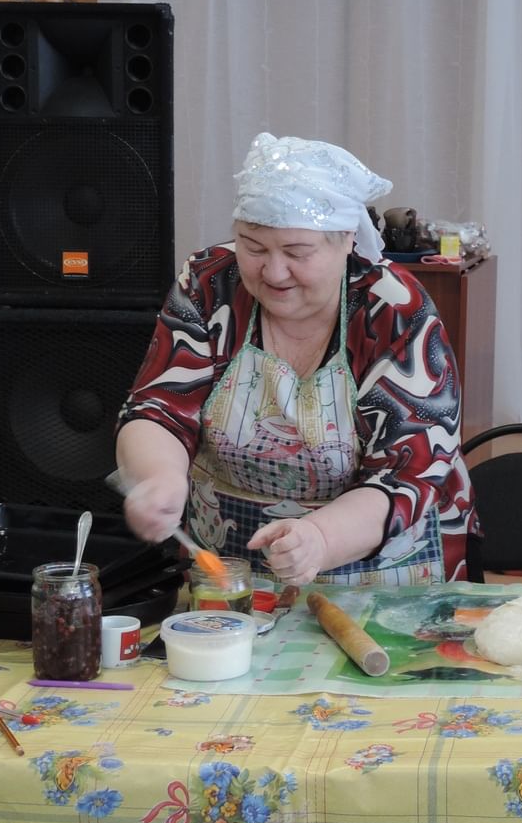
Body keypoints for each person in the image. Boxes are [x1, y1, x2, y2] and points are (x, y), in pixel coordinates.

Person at [116, 132, 475, 586]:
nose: (273, 271)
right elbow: (159, 407)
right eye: (253, 247)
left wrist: (321, 538)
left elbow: (410, 469)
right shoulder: (211, 283)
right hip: (229, 566)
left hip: (379, 565)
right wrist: (158, 477)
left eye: (296, 252)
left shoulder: (393, 308)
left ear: (346, 241)